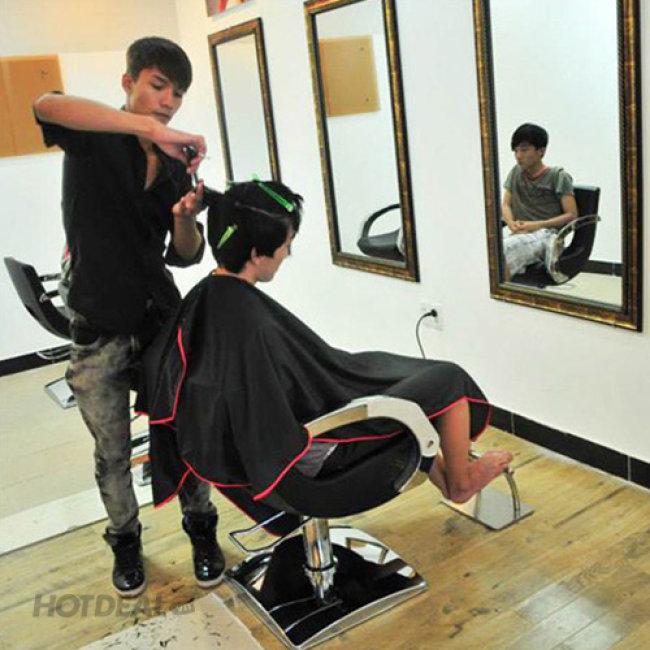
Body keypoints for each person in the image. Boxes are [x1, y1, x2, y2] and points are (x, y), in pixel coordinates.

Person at [141, 179, 513, 519]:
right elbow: (286, 397)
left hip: (273, 451)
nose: (287, 254)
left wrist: (335, 371)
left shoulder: (210, 299)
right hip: (314, 457)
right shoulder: (250, 325)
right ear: (256, 254)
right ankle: (460, 482)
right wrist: (336, 378)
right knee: (448, 379)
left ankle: (447, 475)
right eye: (286, 245)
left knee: (386, 372)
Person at [33, 37, 223, 598]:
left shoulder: (174, 165)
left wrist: (184, 216)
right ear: (129, 83)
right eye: (158, 86)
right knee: (112, 450)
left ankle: (202, 530)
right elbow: (46, 104)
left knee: (185, 431)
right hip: (98, 320)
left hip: (158, 314)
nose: (168, 102)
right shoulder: (92, 136)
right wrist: (150, 130)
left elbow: (186, 254)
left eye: (177, 94)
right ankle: (126, 542)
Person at [501, 123, 578, 280]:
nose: (518, 156)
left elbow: (572, 215)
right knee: (489, 249)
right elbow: (506, 204)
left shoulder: (558, 176)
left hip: (547, 235)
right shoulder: (515, 173)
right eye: (515, 151)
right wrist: (510, 222)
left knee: (503, 250)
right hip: (520, 232)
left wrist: (537, 225)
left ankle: (505, 291)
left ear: (541, 151)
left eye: (524, 150)